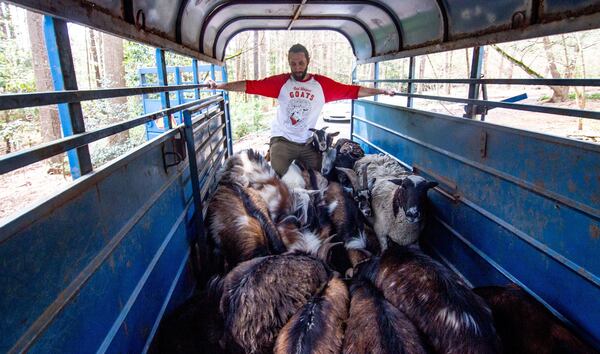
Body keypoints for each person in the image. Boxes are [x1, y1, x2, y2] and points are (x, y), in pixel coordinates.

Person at [206, 43, 395, 176]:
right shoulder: (281, 83)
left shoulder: (321, 85)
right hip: (282, 140)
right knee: (280, 176)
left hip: (306, 143)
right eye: (293, 64)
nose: (297, 68)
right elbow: (250, 85)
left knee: (319, 175)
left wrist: (382, 90)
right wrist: (220, 85)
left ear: (308, 61)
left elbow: (353, 91)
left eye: (301, 63)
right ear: (289, 62)